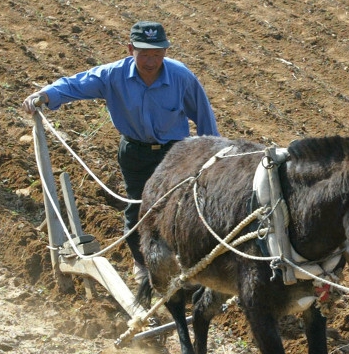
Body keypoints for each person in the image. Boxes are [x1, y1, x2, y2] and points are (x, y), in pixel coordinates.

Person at [20, 21, 219, 280]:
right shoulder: (113, 75)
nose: (151, 61)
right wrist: (45, 95)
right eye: (144, 54)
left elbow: (204, 117)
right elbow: (77, 84)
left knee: (181, 208)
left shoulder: (181, 77)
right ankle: (143, 265)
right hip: (135, 153)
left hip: (175, 153)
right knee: (139, 208)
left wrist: (213, 157)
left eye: (157, 54)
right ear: (130, 50)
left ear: (165, 53)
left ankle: (185, 265)